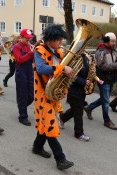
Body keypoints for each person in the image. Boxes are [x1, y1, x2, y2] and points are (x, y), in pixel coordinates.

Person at [33, 24, 74, 170]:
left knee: (45, 123)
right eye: (58, 40)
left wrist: (65, 88)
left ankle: (37, 147)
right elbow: (41, 69)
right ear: (50, 39)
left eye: (61, 40)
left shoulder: (59, 53)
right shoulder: (39, 51)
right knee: (50, 125)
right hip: (43, 95)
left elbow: (62, 75)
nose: (60, 43)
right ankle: (60, 159)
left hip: (53, 95)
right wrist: (62, 68)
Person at [84, 32, 117, 130]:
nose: (114, 43)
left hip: (111, 78)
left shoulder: (113, 50)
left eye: (115, 41)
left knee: (104, 99)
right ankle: (107, 121)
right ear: (106, 40)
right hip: (103, 79)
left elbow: (115, 61)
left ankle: (89, 108)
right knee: (106, 101)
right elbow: (102, 66)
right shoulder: (100, 52)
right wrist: (116, 65)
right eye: (112, 41)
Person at [57, 51, 91, 141]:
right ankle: (79, 133)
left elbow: (87, 71)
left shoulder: (85, 58)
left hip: (81, 89)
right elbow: (71, 75)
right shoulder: (73, 58)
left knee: (76, 109)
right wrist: (84, 81)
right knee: (79, 112)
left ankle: (62, 118)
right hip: (74, 90)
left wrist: (92, 72)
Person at [12, 29, 34, 126]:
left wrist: (34, 53)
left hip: (29, 72)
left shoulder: (29, 46)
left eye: (29, 39)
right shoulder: (16, 47)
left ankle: (22, 107)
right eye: (26, 38)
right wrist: (30, 53)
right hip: (21, 73)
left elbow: (31, 60)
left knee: (31, 96)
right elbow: (20, 60)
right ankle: (23, 116)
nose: (28, 40)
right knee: (23, 95)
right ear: (21, 37)